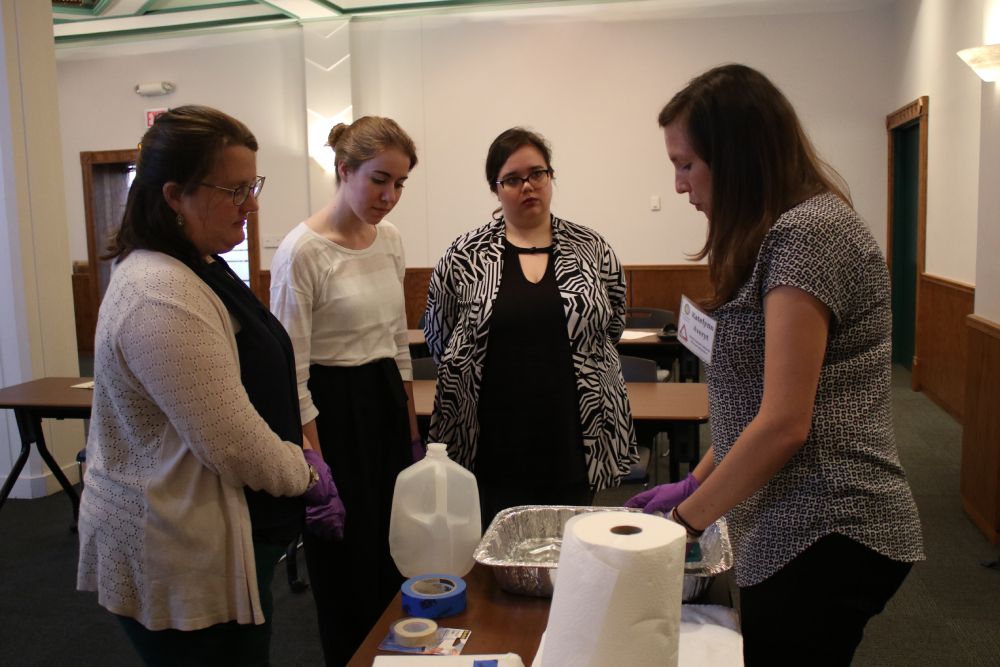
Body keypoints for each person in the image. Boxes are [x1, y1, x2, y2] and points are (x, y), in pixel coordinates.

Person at [626, 64, 925, 665]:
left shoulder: (809, 234)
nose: (681, 185)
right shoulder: (773, 234)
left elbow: (786, 422)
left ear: (734, 154)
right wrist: (697, 479)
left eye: (686, 164)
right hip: (790, 520)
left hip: (829, 522)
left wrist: (684, 522)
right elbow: (754, 402)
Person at [76, 105, 344, 667]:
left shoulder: (200, 263)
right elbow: (231, 442)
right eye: (235, 189)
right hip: (176, 547)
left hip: (211, 528)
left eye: (254, 185)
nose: (252, 203)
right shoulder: (159, 291)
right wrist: (305, 473)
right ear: (174, 195)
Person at [424, 127, 638, 528]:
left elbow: (612, 325)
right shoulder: (464, 255)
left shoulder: (592, 248)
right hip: (490, 435)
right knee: (495, 549)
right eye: (513, 179)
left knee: (569, 544)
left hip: (574, 430)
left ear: (550, 177)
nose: (528, 187)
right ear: (496, 188)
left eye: (537, 174)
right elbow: (440, 336)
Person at [269, 116, 421, 666]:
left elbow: (398, 344)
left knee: (391, 548)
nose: (390, 196)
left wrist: (410, 433)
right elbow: (294, 370)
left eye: (400, 184)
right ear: (343, 170)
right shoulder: (301, 252)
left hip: (382, 400)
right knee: (345, 560)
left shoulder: (392, 240)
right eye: (379, 180)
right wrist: (314, 463)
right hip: (330, 411)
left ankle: (394, 655)